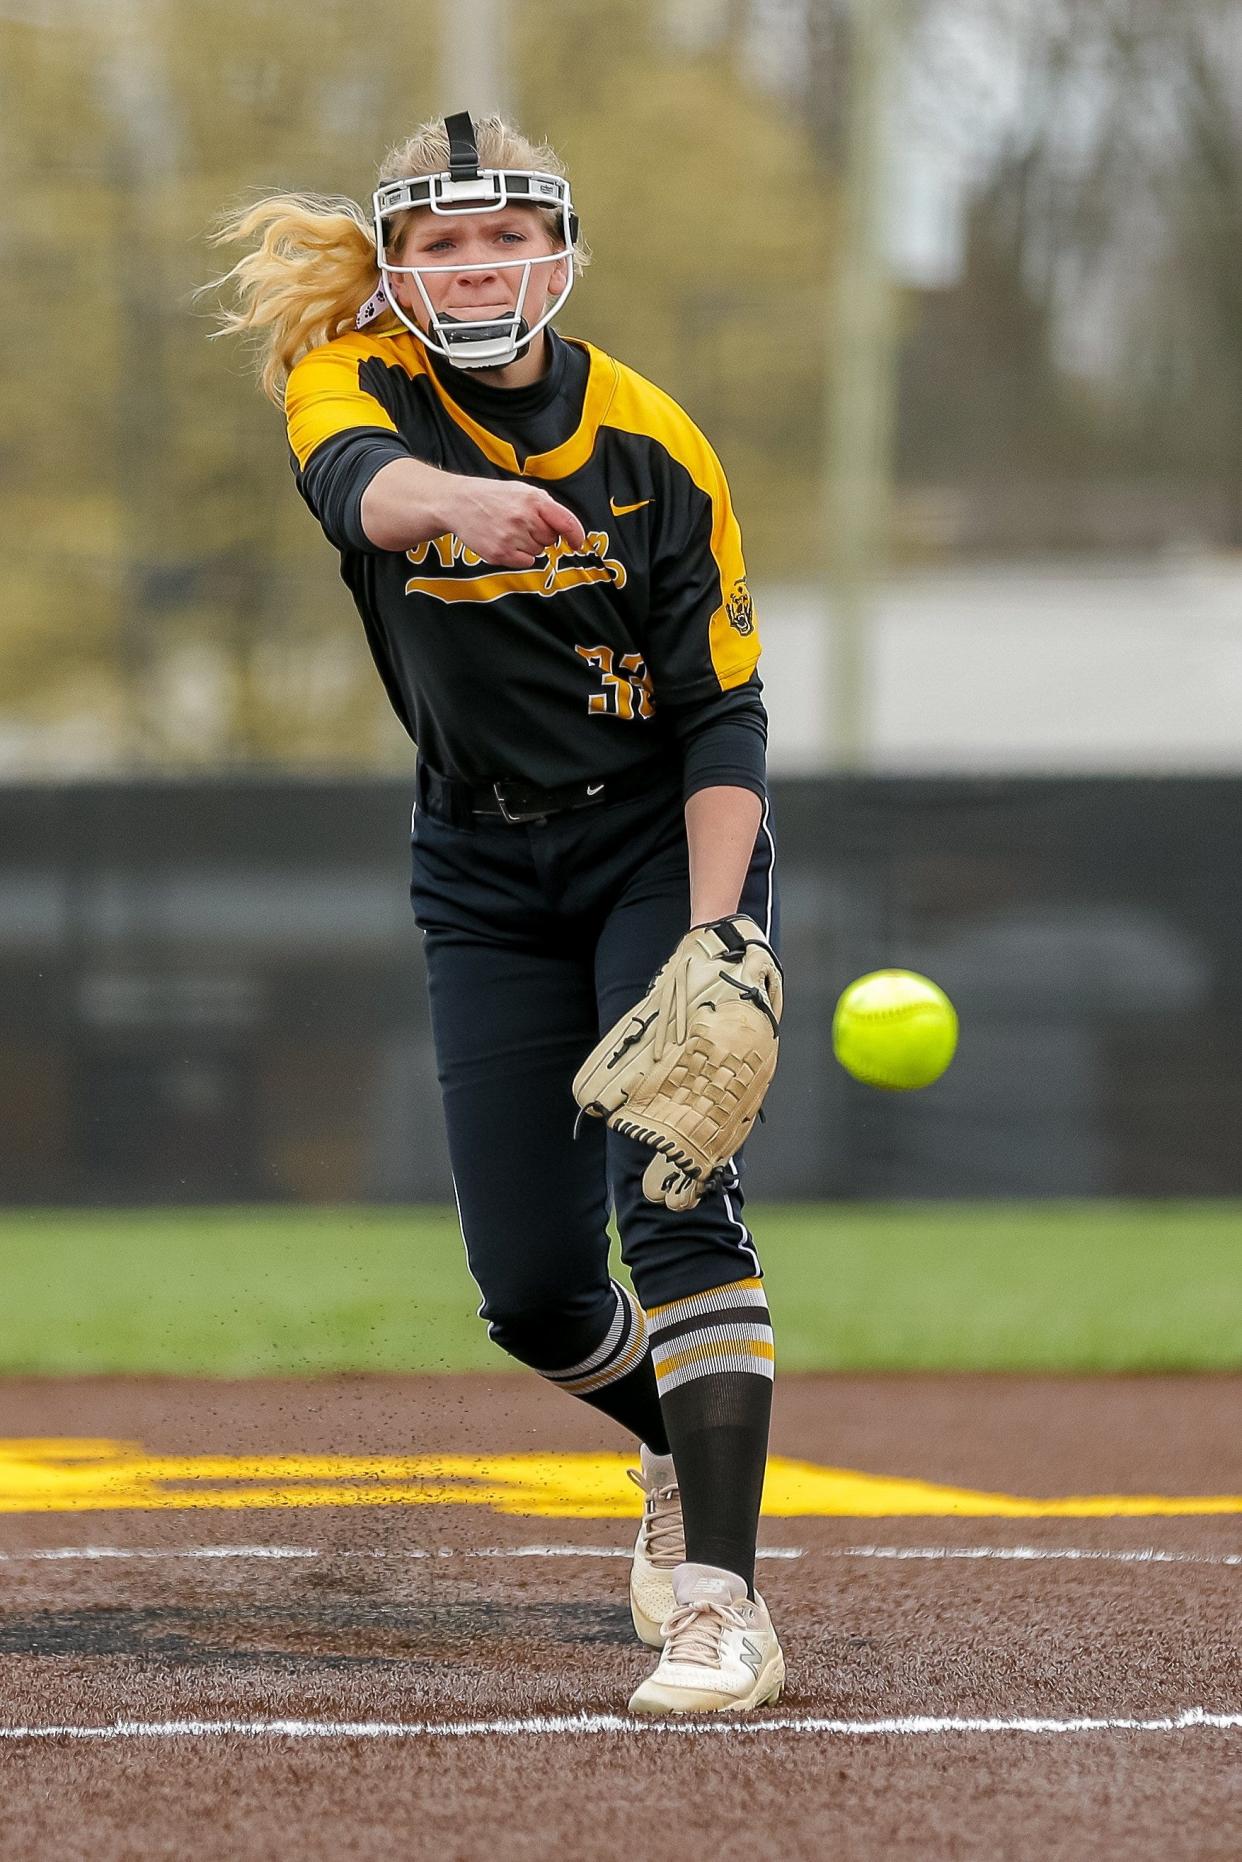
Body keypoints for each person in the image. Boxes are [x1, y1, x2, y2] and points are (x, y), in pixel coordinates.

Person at [212, 111, 783, 1715]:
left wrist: (716, 932)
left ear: (561, 250)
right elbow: (361, 490)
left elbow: (722, 717)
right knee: (531, 1288)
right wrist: (450, 501)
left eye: (503, 233)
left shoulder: (653, 443)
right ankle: (687, 1446)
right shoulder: (349, 375)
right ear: (394, 270)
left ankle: (722, 1601)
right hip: (475, 861)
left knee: (673, 1197)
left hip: (654, 850)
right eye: (438, 242)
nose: (475, 264)